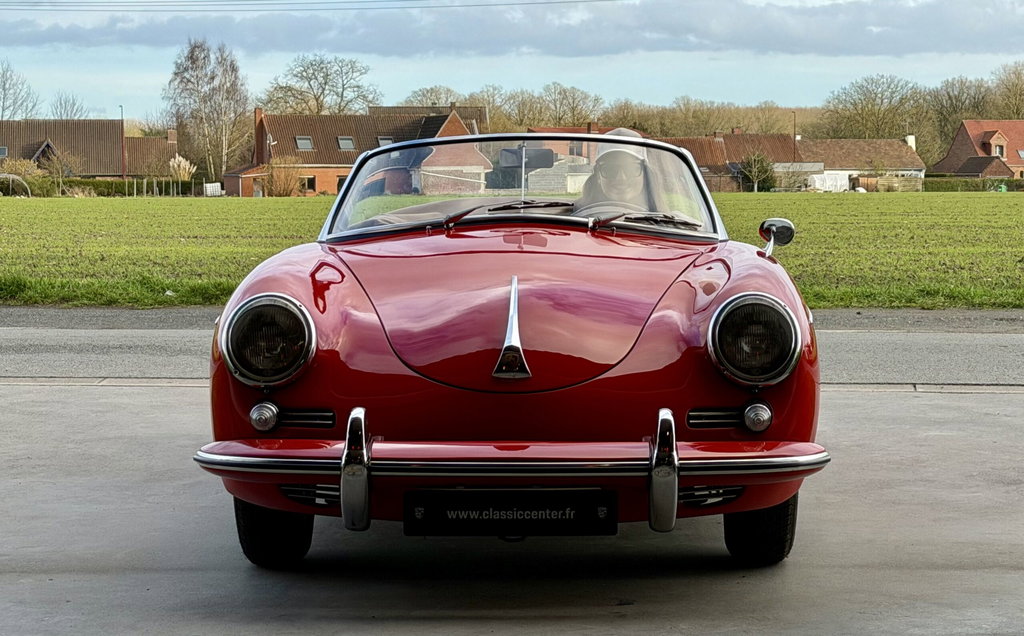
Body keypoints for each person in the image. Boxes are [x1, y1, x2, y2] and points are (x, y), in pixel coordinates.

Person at [575, 128, 651, 211]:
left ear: (645, 174)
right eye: (610, 169)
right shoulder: (576, 215)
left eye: (631, 169)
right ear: (598, 175)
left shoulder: (662, 218)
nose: (621, 178)